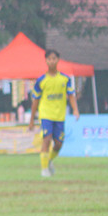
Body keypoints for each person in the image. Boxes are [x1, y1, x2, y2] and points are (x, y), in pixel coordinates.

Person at [28, 48, 80, 177]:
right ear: (46, 61)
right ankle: (44, 169)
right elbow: (35, 100)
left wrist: (75, 109)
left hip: (59, 116)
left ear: (58, 60)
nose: (52, 61)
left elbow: (71, 95)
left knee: (59, 144)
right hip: (46, 115)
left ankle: (49, 160)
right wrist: (31, 120)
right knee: (46, 139)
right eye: (49, 59)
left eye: (54, 59)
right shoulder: (41, 80)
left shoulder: (65, 79)